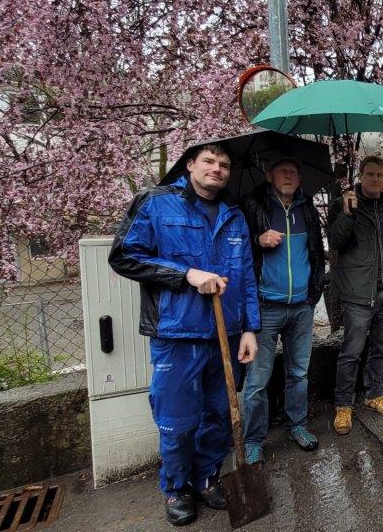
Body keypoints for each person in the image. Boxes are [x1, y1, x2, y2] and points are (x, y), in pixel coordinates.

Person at [108, 143, 259, 527]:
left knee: (221, 415)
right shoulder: (156, 204)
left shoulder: (234, 215)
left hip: (227, 333)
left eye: (224, 164)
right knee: (177, 421)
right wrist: (186, 274)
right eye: (209, 160)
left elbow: (246, 276)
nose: (217, 168)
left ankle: (207, 478)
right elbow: (124, 256)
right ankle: (177, 489)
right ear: (190, 164)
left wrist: (250, 329)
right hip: (176, 334)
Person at [238, 158, 325, 460]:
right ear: (269, 175)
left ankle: (297, 425)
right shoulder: (254, 206)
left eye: (293, 172)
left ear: (300, 179)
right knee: (257, 381)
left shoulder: (307, 207)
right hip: (265, 307)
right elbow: (235, 248)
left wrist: (313, 295)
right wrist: (257, 239)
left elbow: (316, 251)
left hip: (301, 306)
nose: (288, 176)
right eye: (282, 171)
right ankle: (253, 440)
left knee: (298, 374)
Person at [327, 156, 383, 436]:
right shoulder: (343, 204)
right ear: (361, 176)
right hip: (358, 293)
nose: (375, 179)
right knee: (351, 352)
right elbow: (335, 241)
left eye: (379, 175)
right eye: (370, 174)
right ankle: (343, 404)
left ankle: (374, 393)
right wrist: (347, 214)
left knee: (382, 347)